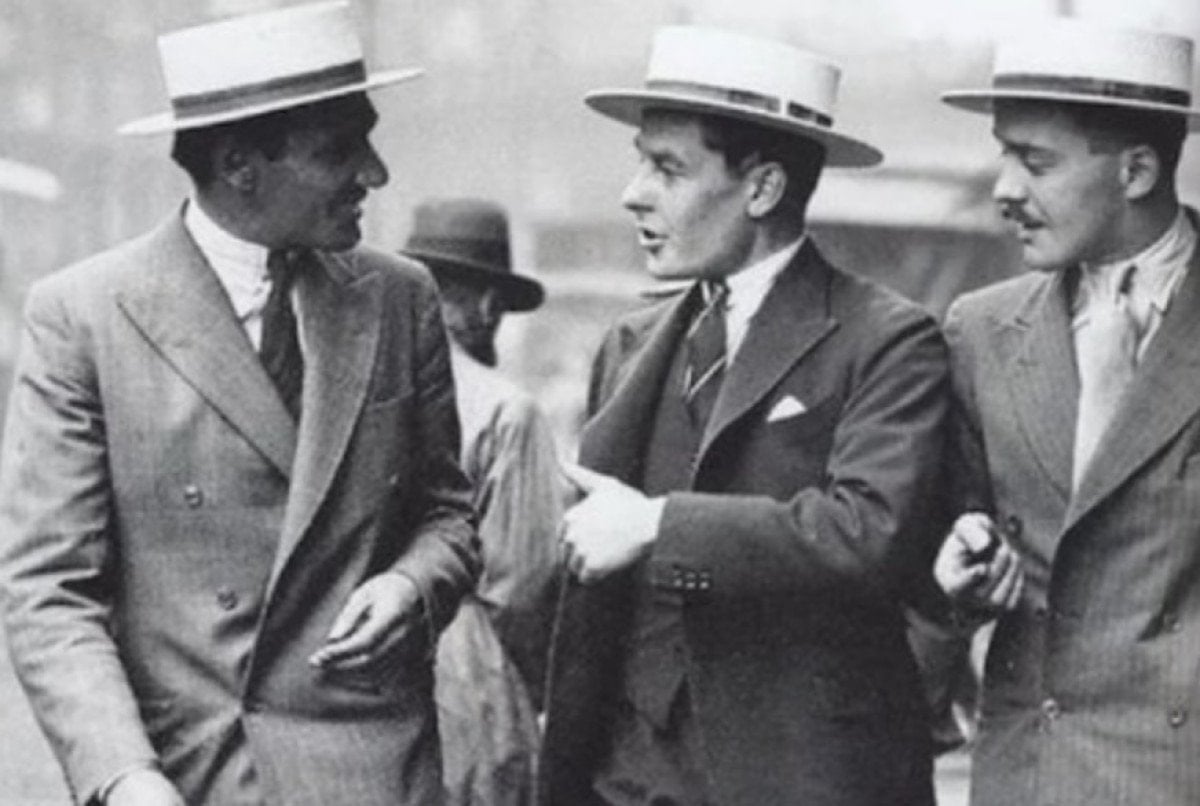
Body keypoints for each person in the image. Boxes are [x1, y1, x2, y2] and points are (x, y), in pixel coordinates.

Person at [0, 4, 479, 805]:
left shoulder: (400, 297)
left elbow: (448, 516)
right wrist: (123, 775)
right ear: (238, 165)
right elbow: (50, 591)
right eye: (338, 150)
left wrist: (410, 586)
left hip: (378, 771)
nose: (375, 174)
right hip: (190, 775)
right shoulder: (83, 316)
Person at [540, 26, 949, 806]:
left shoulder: (887, 339)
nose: (634, 193)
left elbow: (869, 532)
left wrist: (658, 526)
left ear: (762, 189)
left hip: (799, 778)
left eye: (668, 168)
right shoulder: (630, 344)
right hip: (627, 774)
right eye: (640, 161)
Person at [934, 18, 1200, 805]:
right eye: (1003, 153)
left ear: (1137, 170)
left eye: (1036, 161)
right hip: (1028, 775)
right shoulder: (981, 330)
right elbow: (941, 541)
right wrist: (958, 576)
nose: (1004, 189)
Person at [402, 198, 563, 806]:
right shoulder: (505, 410)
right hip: (465, 671)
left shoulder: (361, 391)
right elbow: (525, 582)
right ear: (489, 305)